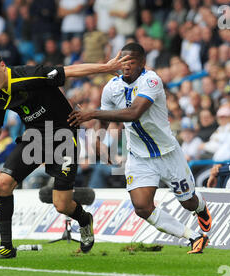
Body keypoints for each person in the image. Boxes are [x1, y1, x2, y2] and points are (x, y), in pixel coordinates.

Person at [0, 48, 130, 259]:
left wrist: (106, 67)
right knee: (2, 184)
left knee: (62, 205)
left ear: (2, 66)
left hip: (63, 135)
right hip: (35, 138)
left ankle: (84, 220)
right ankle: (6, 247)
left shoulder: (31, 74)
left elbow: (70, 70)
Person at [68, 43, 211, 254]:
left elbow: (133, 113)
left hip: (167, 153)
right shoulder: (111, 88)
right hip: (139, 157)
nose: (126, 66)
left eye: (132, 62)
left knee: (188, 202)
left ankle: (200, 208)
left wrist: (93, 113)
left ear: (142, 63)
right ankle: (194, 237)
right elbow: (106, 119)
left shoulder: (151, 80)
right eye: (123, 61)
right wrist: (99, 139)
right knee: (142, 207)